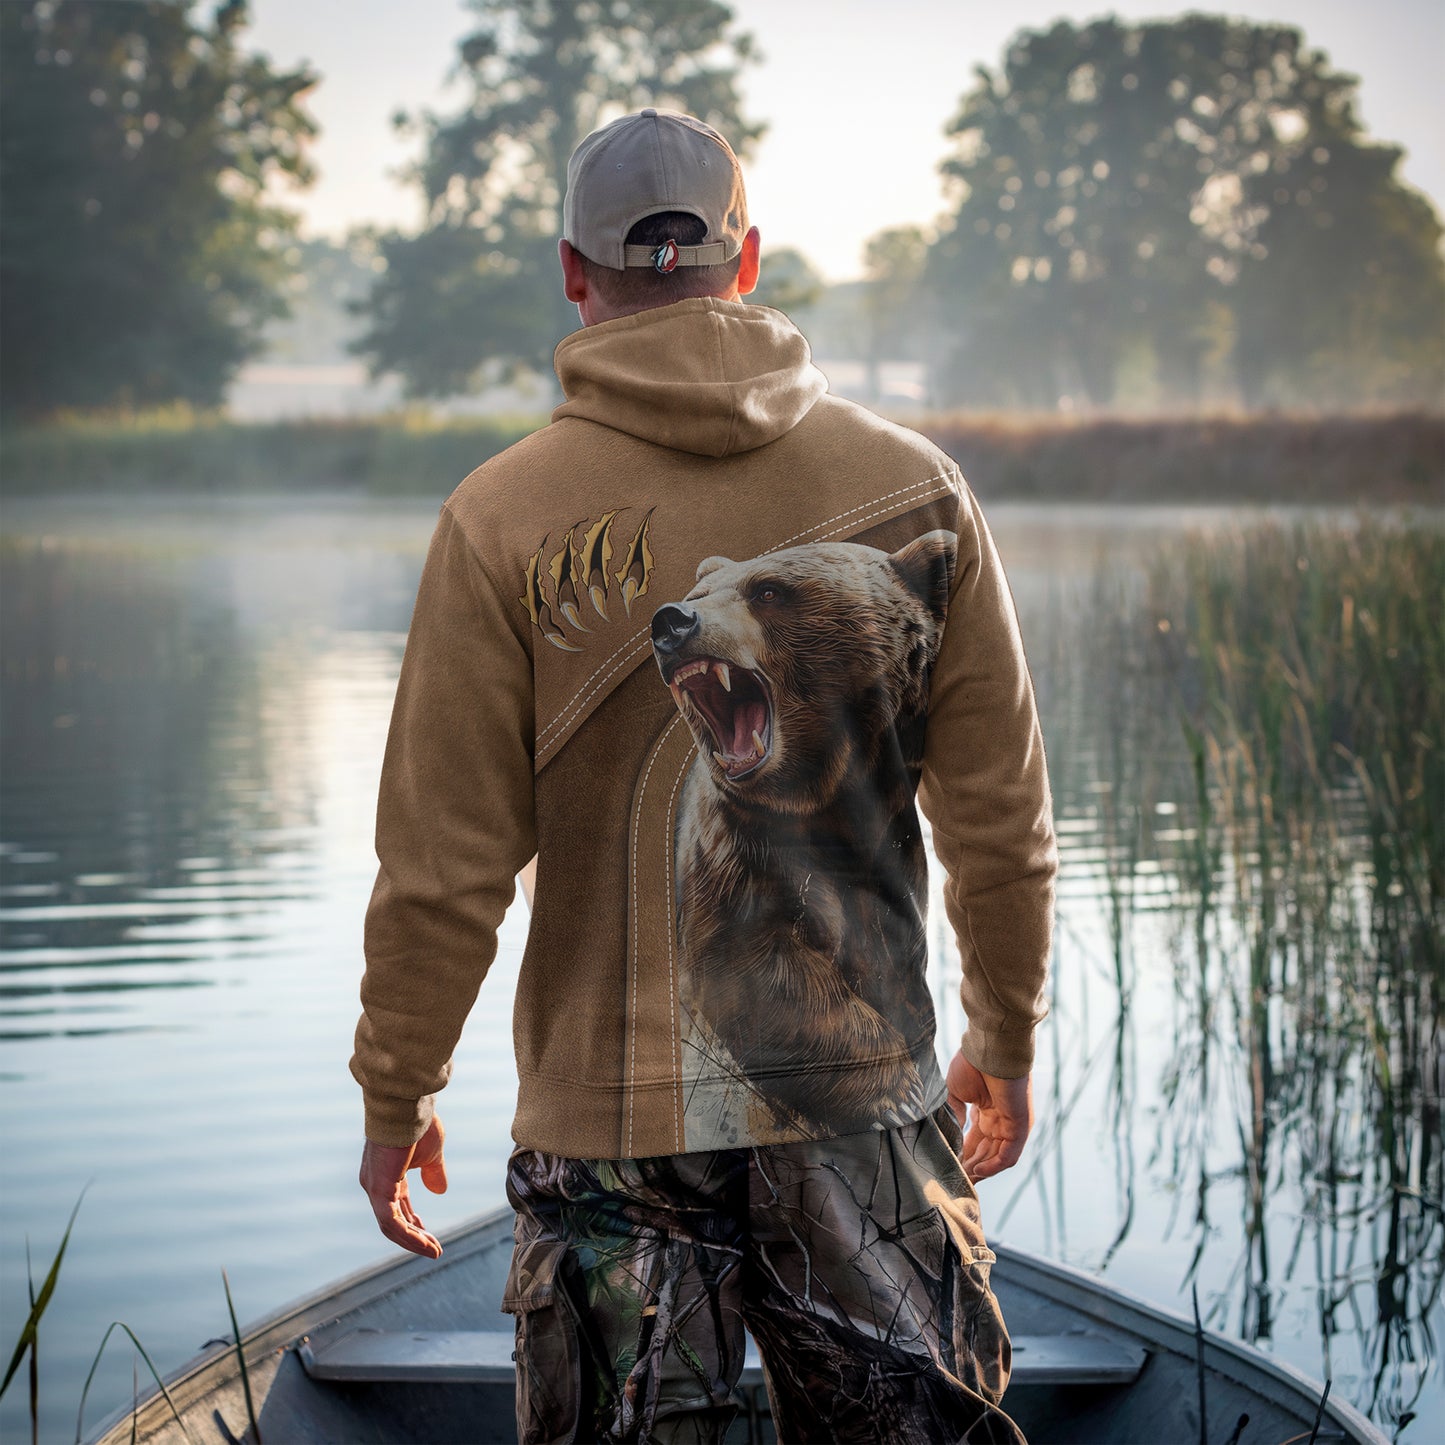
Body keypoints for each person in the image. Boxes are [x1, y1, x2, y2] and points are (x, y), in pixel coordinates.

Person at [353, 108, 1056, 1444]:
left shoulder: (498, 515)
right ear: (747, 261)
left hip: (603, 1131)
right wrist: (1003, 1033)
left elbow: (443, 871)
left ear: (573, 272)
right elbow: (1000, 823)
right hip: (860, 1110)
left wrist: (401, 1091)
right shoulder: (916, 488)